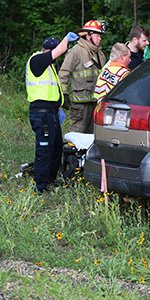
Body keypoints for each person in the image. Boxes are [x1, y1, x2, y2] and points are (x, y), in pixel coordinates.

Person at [26, 32, 79, 193]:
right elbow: (60, 50)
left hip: (51, 113)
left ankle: (50, 180)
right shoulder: (37, 60)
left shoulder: (49, 66)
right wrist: (66, 40)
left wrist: (58, 108)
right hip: (42, 115)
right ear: (49, 50)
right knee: (44, 150)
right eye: (54, 53)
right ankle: (40, 186)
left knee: (56, 148)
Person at [59, 19, 107, 133]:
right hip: (80, 105)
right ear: (88, 36)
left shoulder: (100, 54)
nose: (100, 38)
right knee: (77, 133)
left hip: (95, 103)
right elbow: (63, 74)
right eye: (97, 35)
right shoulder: (75, 52)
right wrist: (64, 94)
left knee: (93, 135)